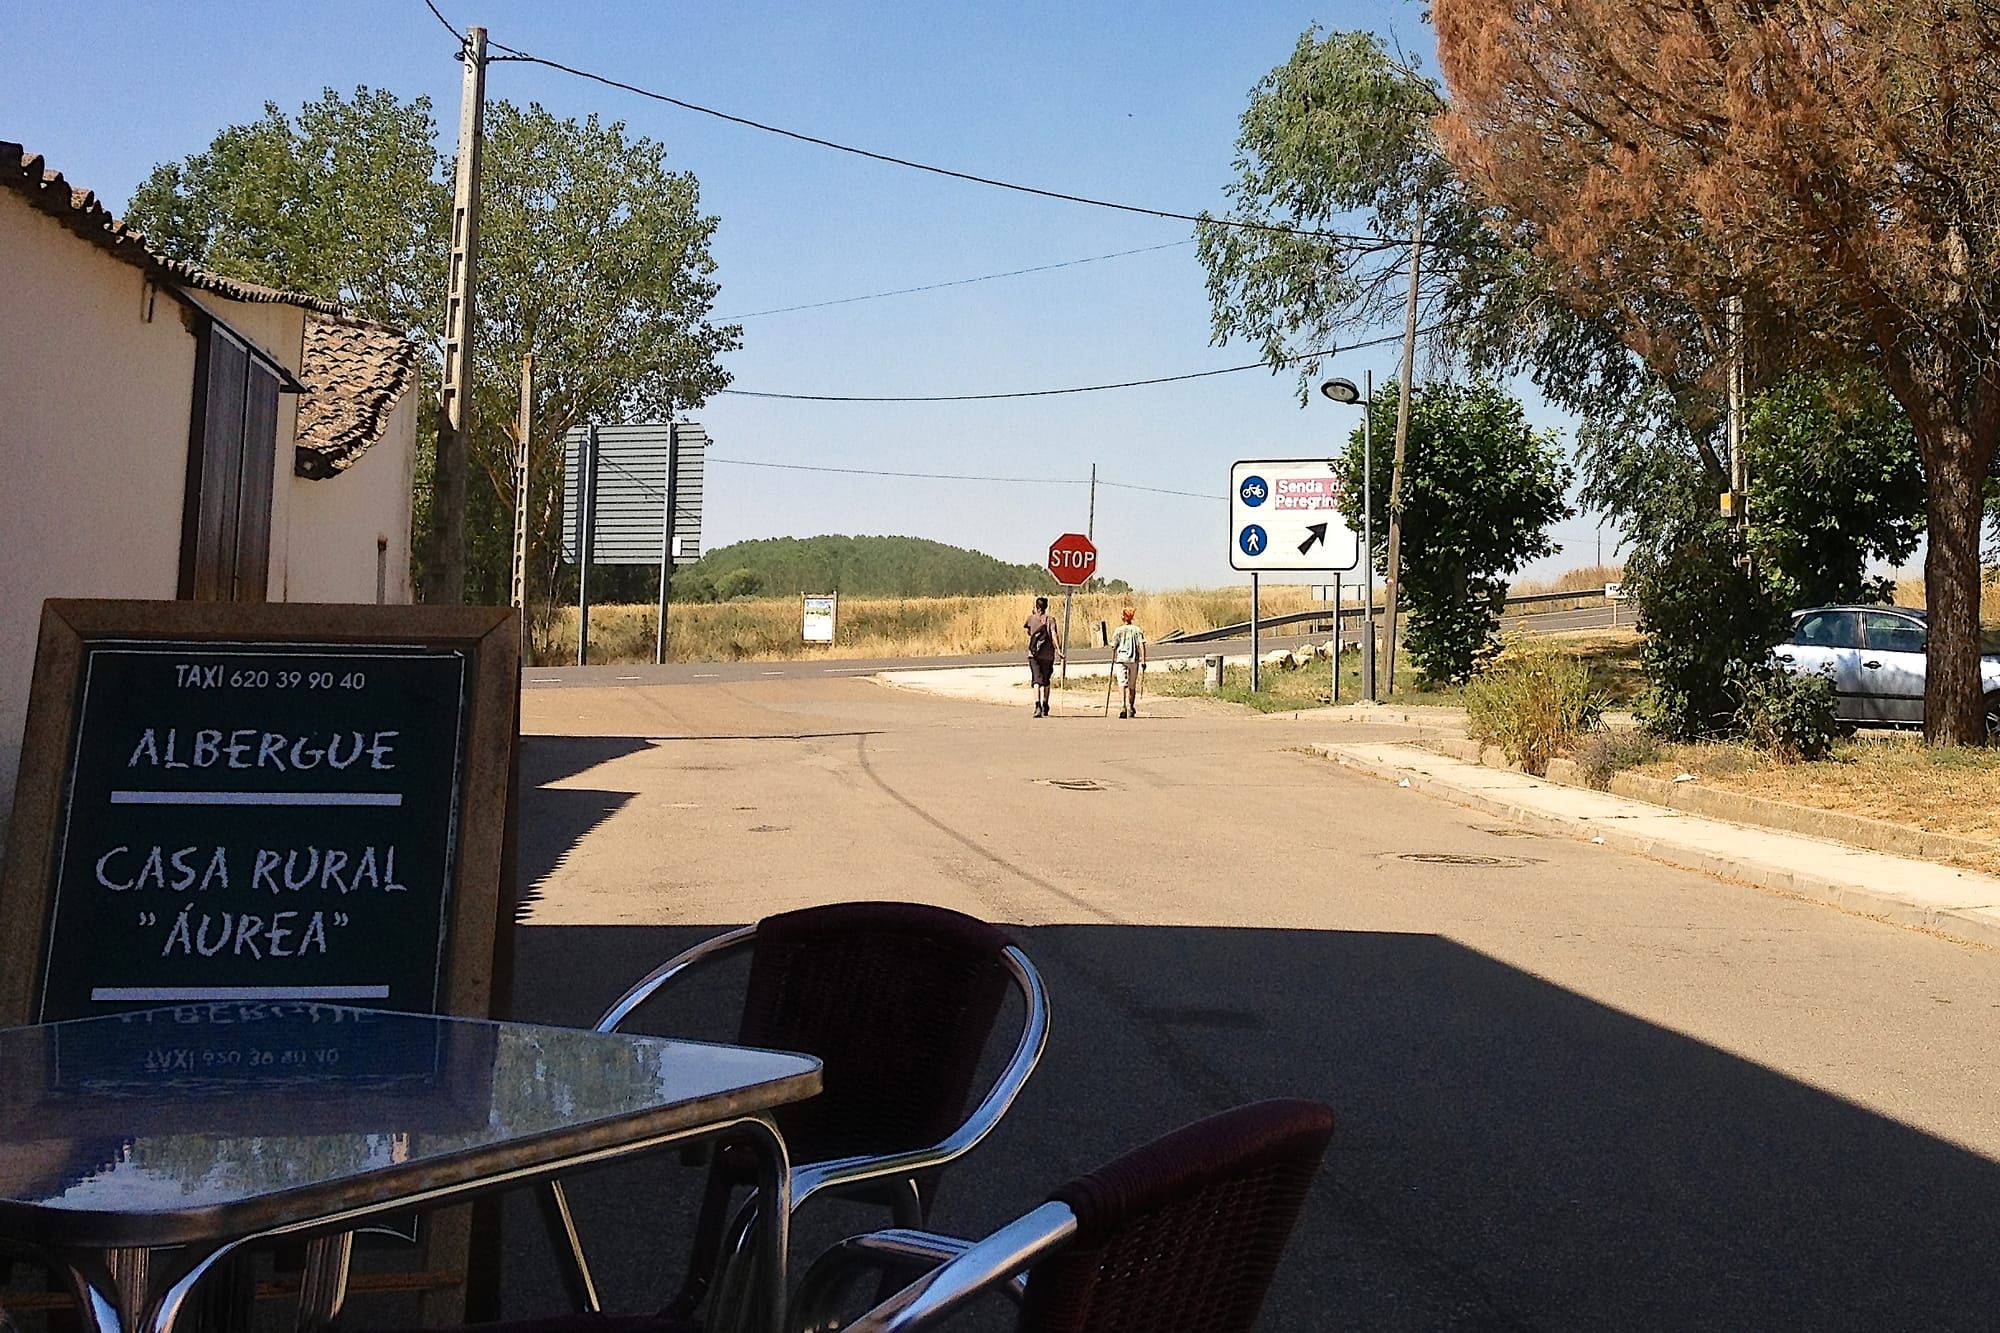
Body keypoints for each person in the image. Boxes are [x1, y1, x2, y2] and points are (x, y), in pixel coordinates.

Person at [1023, 595, 1064, 717]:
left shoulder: (1031, 619)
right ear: (1046, 607)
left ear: (1036, 606)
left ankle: (1037, 705)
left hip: (1034, 654)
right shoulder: (1050, 620)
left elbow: (1029, 632)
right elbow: (1053, 635)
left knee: (1036, 679)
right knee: (1046, 680)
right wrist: (1058, 650)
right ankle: (1045, 703)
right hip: (1047, 655)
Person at [1111, 606, 1147, 718]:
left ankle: (1123, 706)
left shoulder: (1118, 630)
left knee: (1121, 683)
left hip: (1121, 660)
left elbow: (1113, 646)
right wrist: (1143, 660)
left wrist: (1113, 657)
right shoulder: (1137, 630)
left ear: (1123, 617)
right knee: (1132, 685)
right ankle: (1130, 706)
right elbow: (1141, 645)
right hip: (1133, 660)